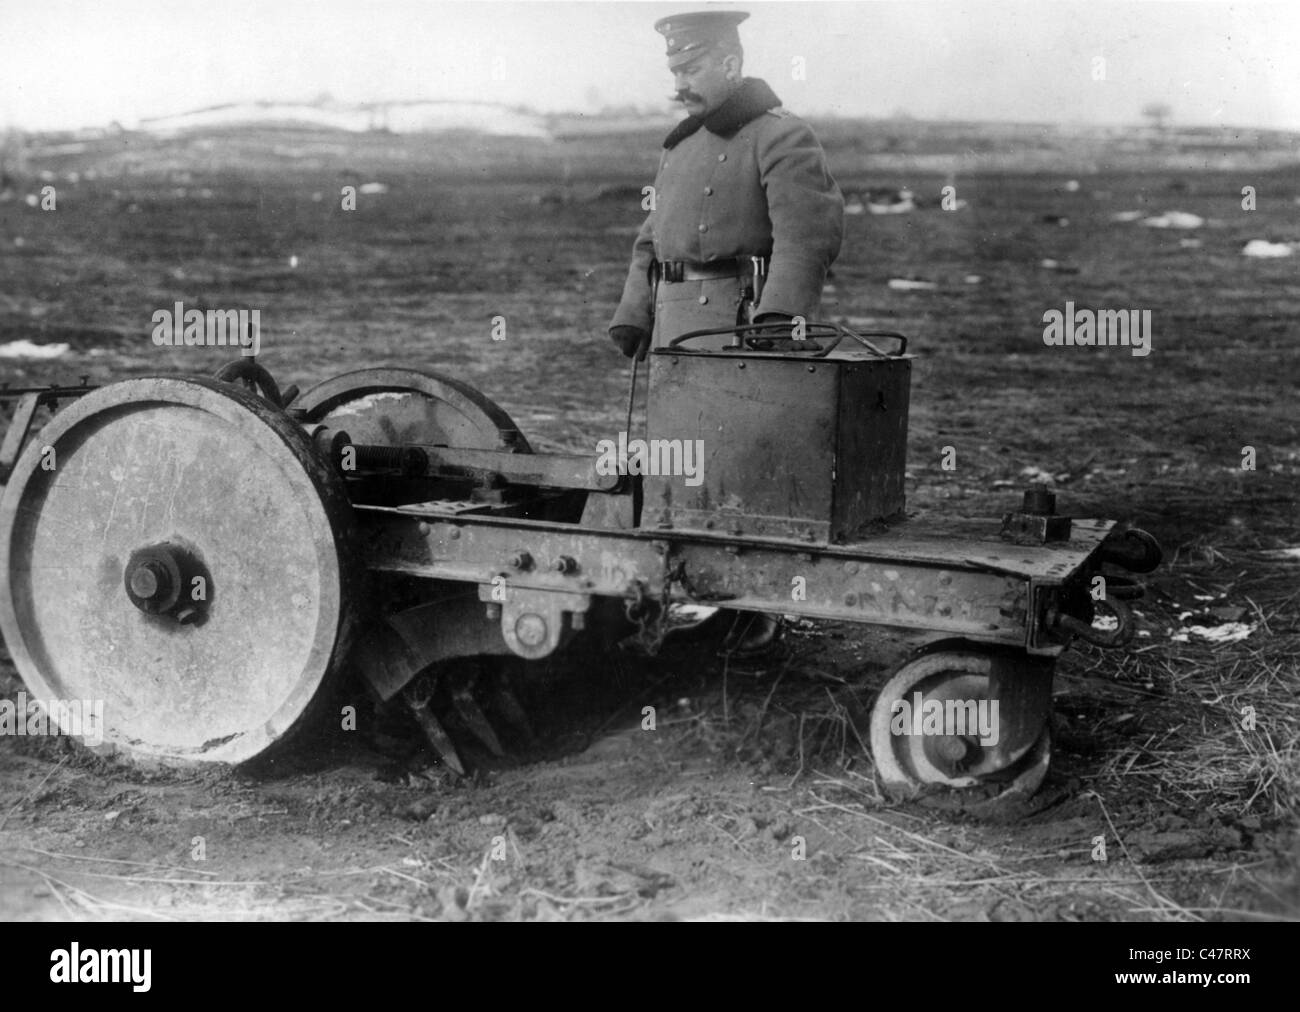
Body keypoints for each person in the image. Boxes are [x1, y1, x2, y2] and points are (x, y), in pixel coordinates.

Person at [609, 9, 845, 360]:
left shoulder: (780, 135)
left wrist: (781, 317)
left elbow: (805, 237)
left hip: (745, 329)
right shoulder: (680, 145)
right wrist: (633, 311)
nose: (679, 86)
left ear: (730, 66)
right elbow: (651, 239)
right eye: (675, 72)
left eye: (690, 70)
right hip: (672, 326)